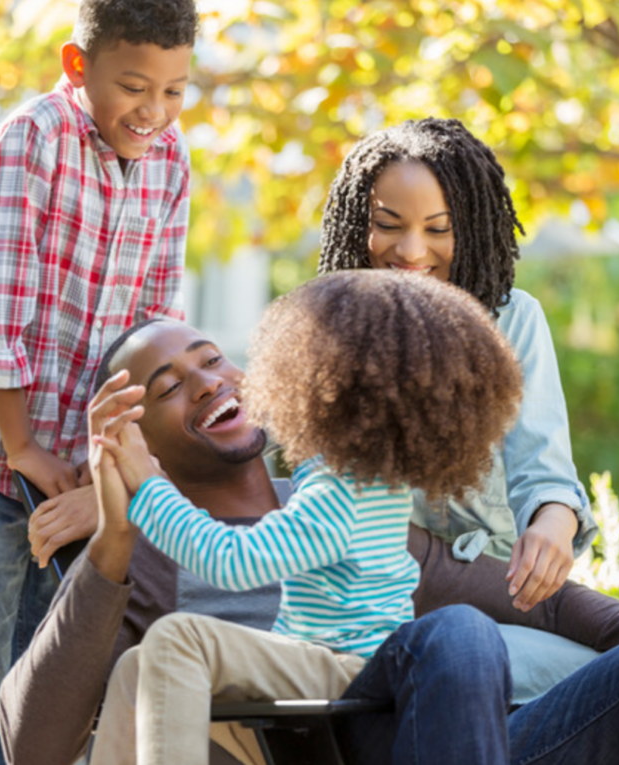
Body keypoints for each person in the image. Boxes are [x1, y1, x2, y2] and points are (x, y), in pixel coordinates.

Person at [0, 317, 619, 765]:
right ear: (136, 440)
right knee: (148, 663)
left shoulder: (340, 506)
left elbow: (532, 598)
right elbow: (34, 744)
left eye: (213, 360)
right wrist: (115, 535)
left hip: (387, 736)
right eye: (170, 385)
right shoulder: (142, 557)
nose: (207, 380)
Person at [0, 2, 199, 763]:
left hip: (73, 484)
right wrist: (22, 441)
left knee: (34, 716)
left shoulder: (170, 164)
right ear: (76, 66)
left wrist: (107, 484)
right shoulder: (32, 140)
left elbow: (154, 334)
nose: (154, 111)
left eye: (174, 91)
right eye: (134, 86)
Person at [87, 270, 527, 764]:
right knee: (137, 666)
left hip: (346, 674)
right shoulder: (359, 479)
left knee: (174, 638)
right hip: (320, 666)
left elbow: (230, 561)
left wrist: (147, 486)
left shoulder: (343, 492)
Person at [318, 117, 593, 612]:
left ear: (470, 228)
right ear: (356, 223)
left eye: (438, 229)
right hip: (378, 602)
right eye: (387, 225)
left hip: (500, 588)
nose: (411, 251)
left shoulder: (512, 321)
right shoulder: (329, 329)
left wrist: (555, 519)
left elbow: (544, 472)